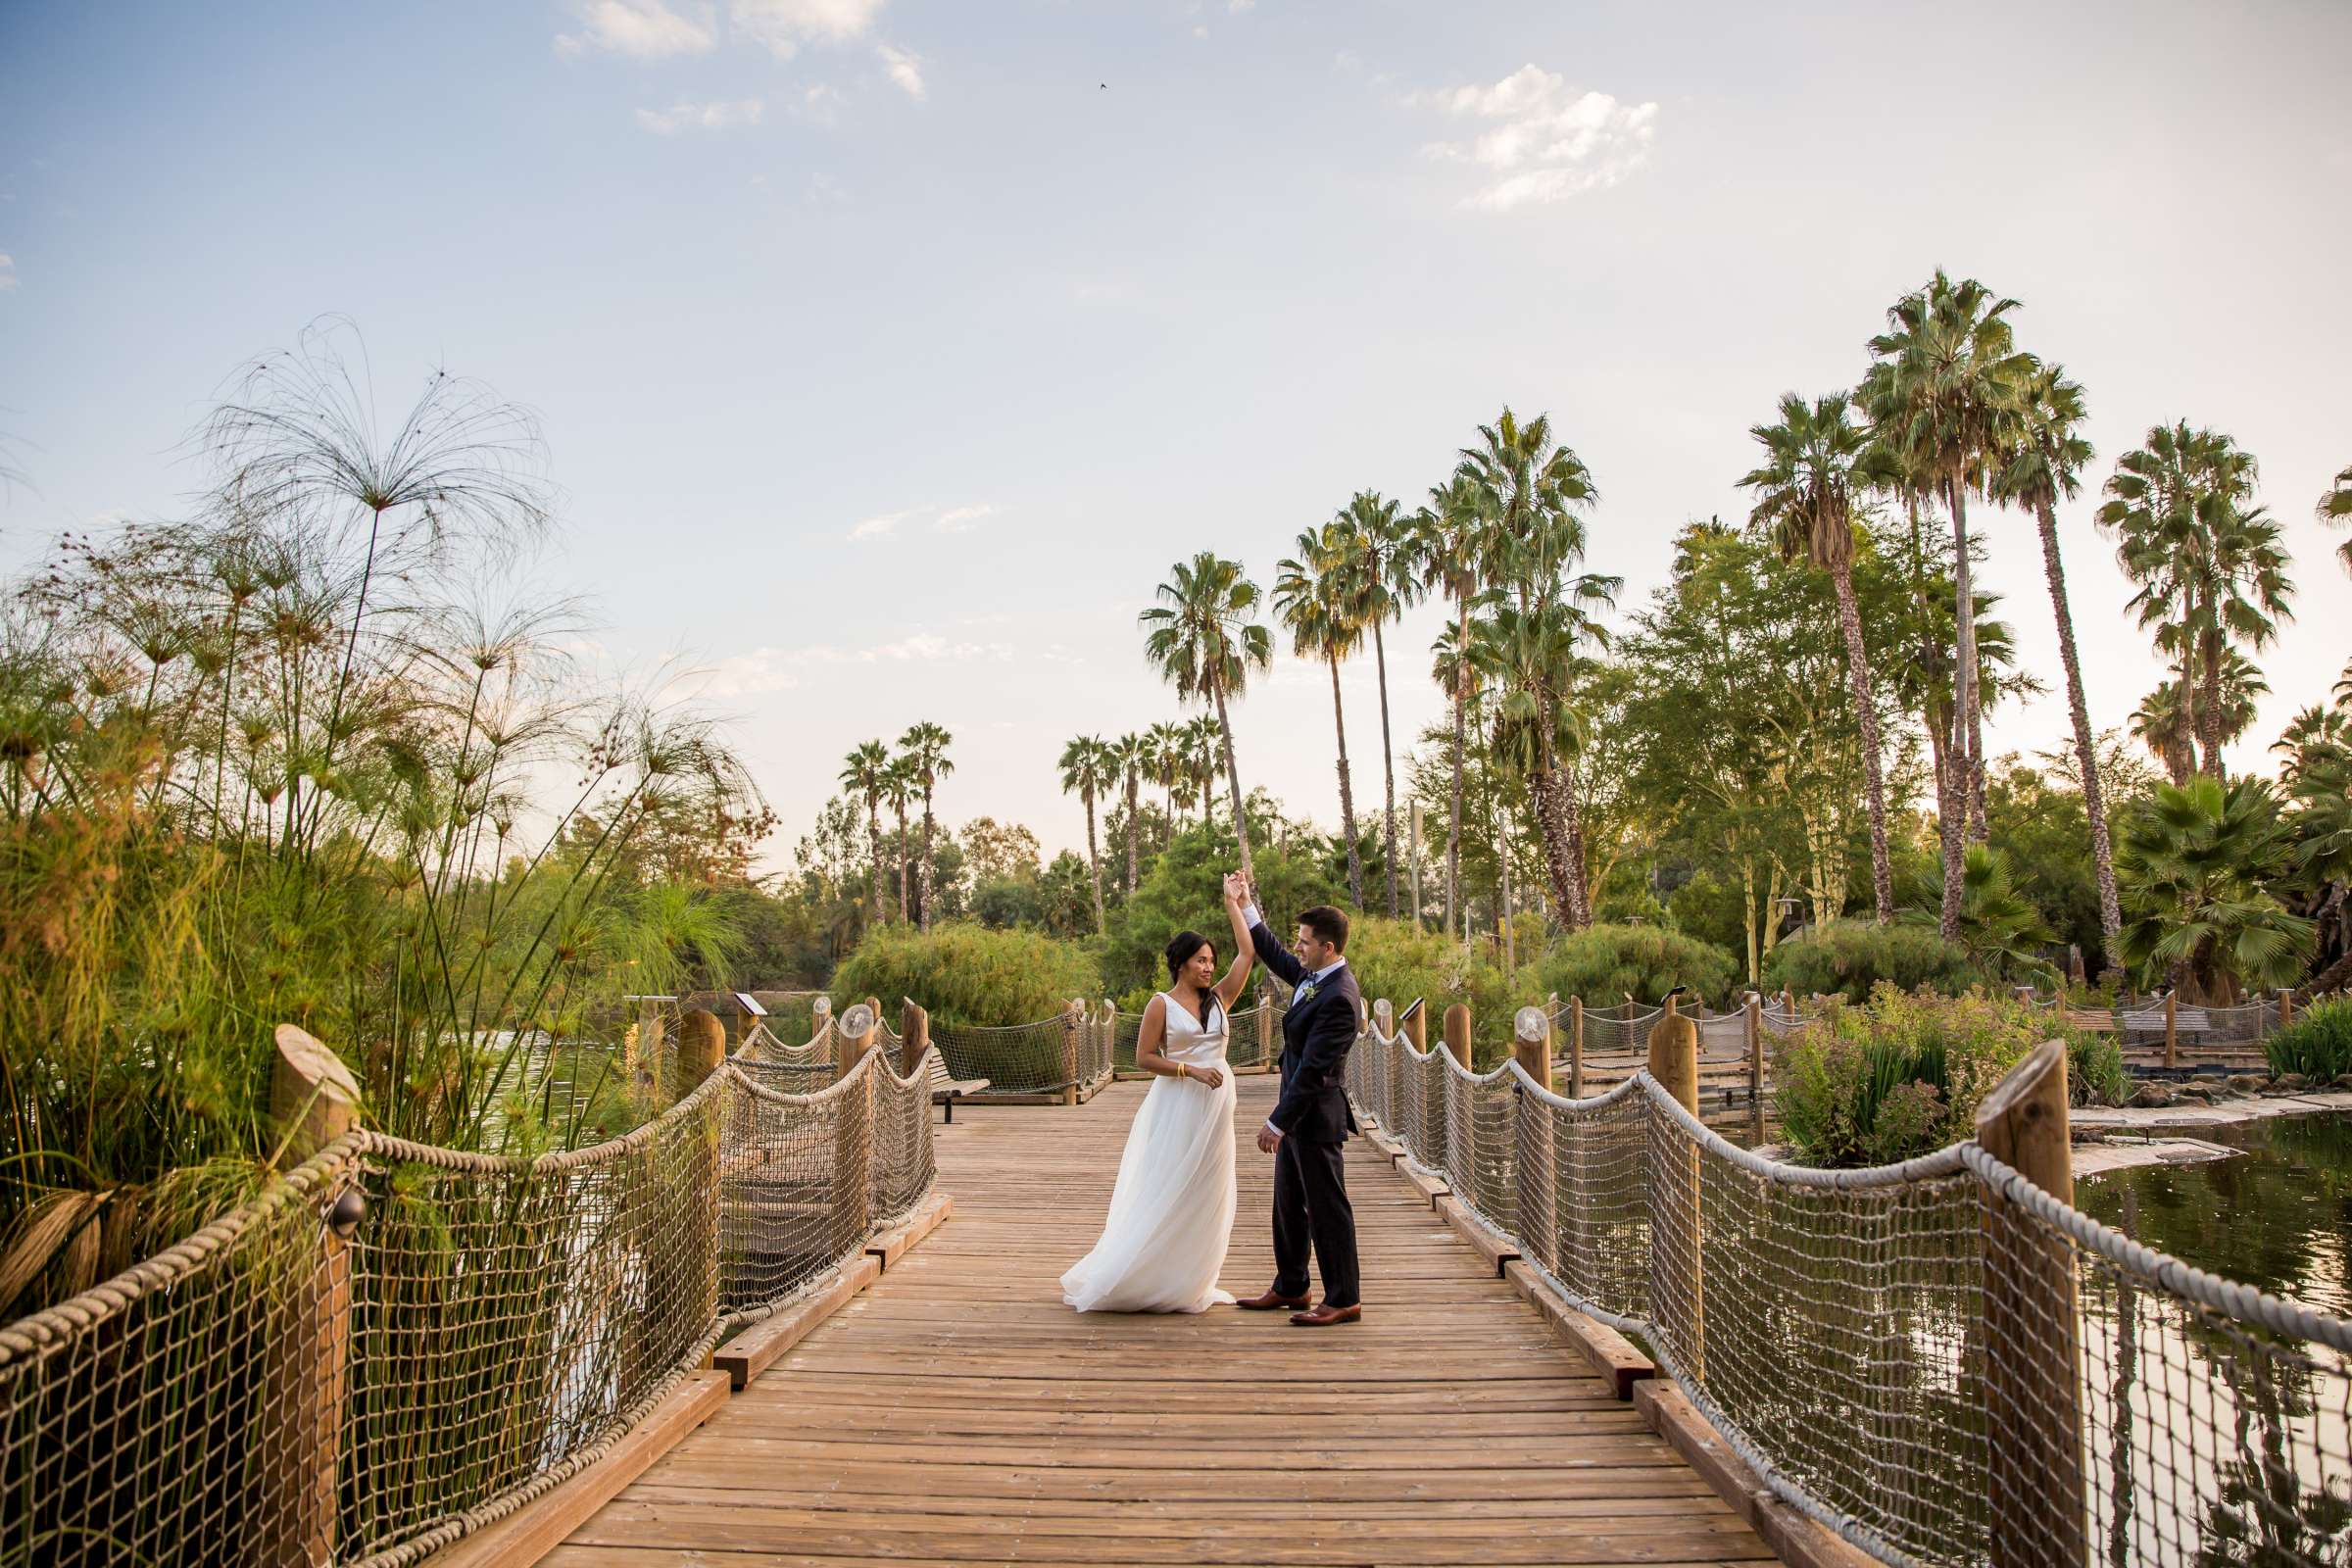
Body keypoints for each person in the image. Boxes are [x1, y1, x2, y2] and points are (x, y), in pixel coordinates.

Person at [1059, 918, 1253, 1313]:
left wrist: (1237, 905)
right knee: (1170, 1183)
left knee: (1208, 1190)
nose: (1209, 967)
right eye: (1201, 960)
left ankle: (1191, 1280)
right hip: (1178, 1103)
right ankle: (1146, 1274)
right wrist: (1190, 1070)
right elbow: (1144, 1056)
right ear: (1181, 963)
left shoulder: (1219, 999)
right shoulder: (1160, 1004)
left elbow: (1248, 954)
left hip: (1216, 1107)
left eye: (1212, 961)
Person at [1221, 871, 1362, 1327]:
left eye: (1305, 942)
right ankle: (1291, 1286)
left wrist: (1277, 1122)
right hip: (1298, 1117)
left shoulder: (1340, 998)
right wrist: (1243, 903)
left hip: (1316, 1119)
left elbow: (1315, 1073)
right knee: (1289, 1204)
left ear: (1329, 948)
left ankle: (1343, 1297)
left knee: (1327, 1208)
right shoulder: (1313, 975)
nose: (1298, 948)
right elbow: (1273, 952)